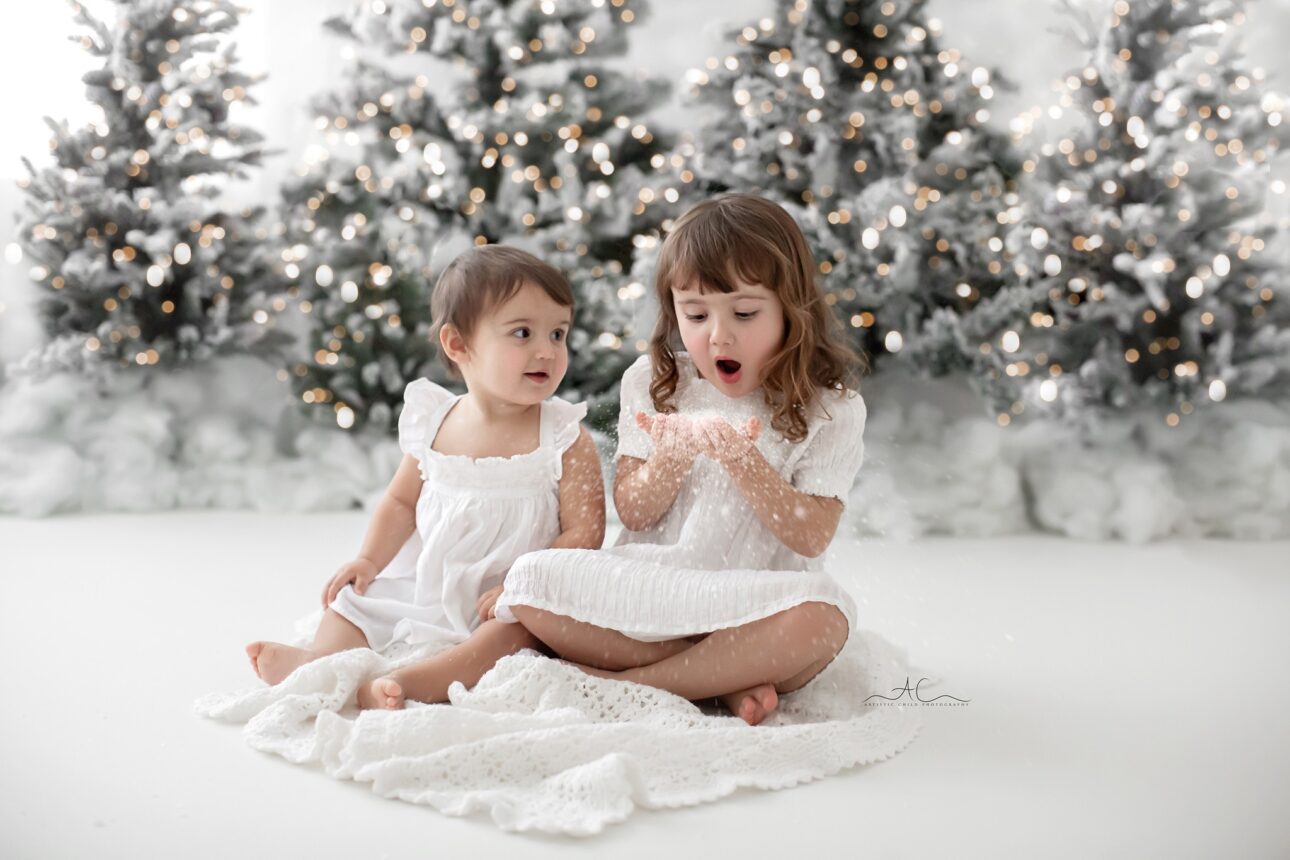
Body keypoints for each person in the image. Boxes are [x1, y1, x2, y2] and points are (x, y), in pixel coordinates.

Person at [492, 193, 868, 726]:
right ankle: (717, 679)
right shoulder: (655, 383)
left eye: (744, 313)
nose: (719, 335)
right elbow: (634, 511)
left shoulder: (830, 408)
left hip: (750, 605)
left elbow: (811, 537)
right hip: (653, 592)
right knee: (530, 579)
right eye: (695, 314)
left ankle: (627, 684)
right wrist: (670, 457)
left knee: (826, 618)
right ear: (674, 311)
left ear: (791, 307)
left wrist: (744, 462)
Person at [245, 245, 605, 710]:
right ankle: (319, 662)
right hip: (429, 582)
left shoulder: (563, 436)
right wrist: (369, 560)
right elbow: (400, 502)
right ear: (458, 344)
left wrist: (524, 586)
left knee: (513, 636)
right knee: (353, 601)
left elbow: (586, 532)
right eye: (522, 333)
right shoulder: (435, 421)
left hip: (509, 597)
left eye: (558, 333)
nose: (547, 351)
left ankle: (412, 682)